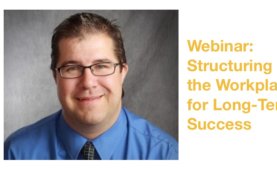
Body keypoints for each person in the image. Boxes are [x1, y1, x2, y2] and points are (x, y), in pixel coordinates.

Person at [4, 12, 178, 160]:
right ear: (55, 77)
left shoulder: (166, 154)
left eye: (101, 66)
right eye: (72, 68)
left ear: (122, 73)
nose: (88, 82)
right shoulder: (17, 153)